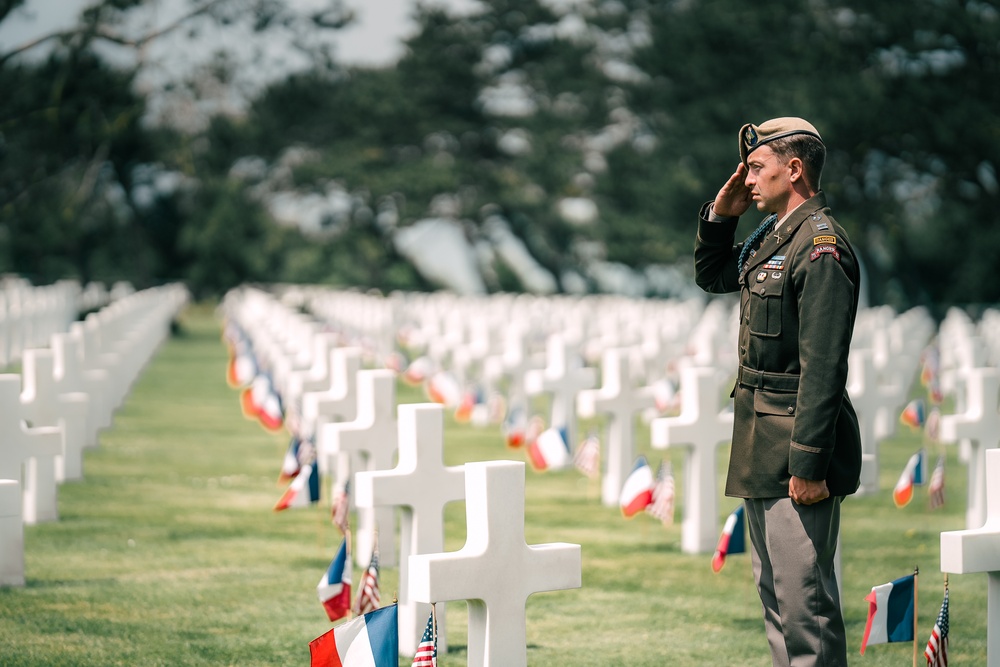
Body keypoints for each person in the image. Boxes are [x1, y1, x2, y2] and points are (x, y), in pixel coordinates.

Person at [693, 117, 863, 667]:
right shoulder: (772, 237)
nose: (747, 179)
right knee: (776, 607)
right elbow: (714, 274)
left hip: (796, 449)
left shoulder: (820, 249)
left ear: (794, 169)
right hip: (761, 444)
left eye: (758, 168)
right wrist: (722, 216)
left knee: (805, 613)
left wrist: (810, 463)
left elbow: (823, 366)